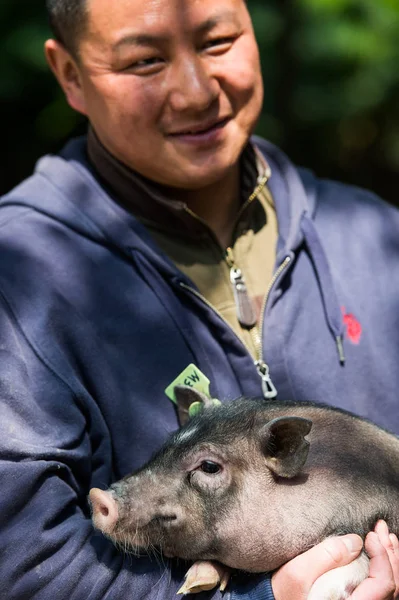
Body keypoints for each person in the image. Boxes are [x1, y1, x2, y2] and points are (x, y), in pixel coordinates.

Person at [0, 0, 398, 598]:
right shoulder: (18, 278)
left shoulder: (374, 236)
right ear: (70, 76)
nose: (194, 91)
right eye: (145, 60)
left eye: (217, 42)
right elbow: (25, 563)